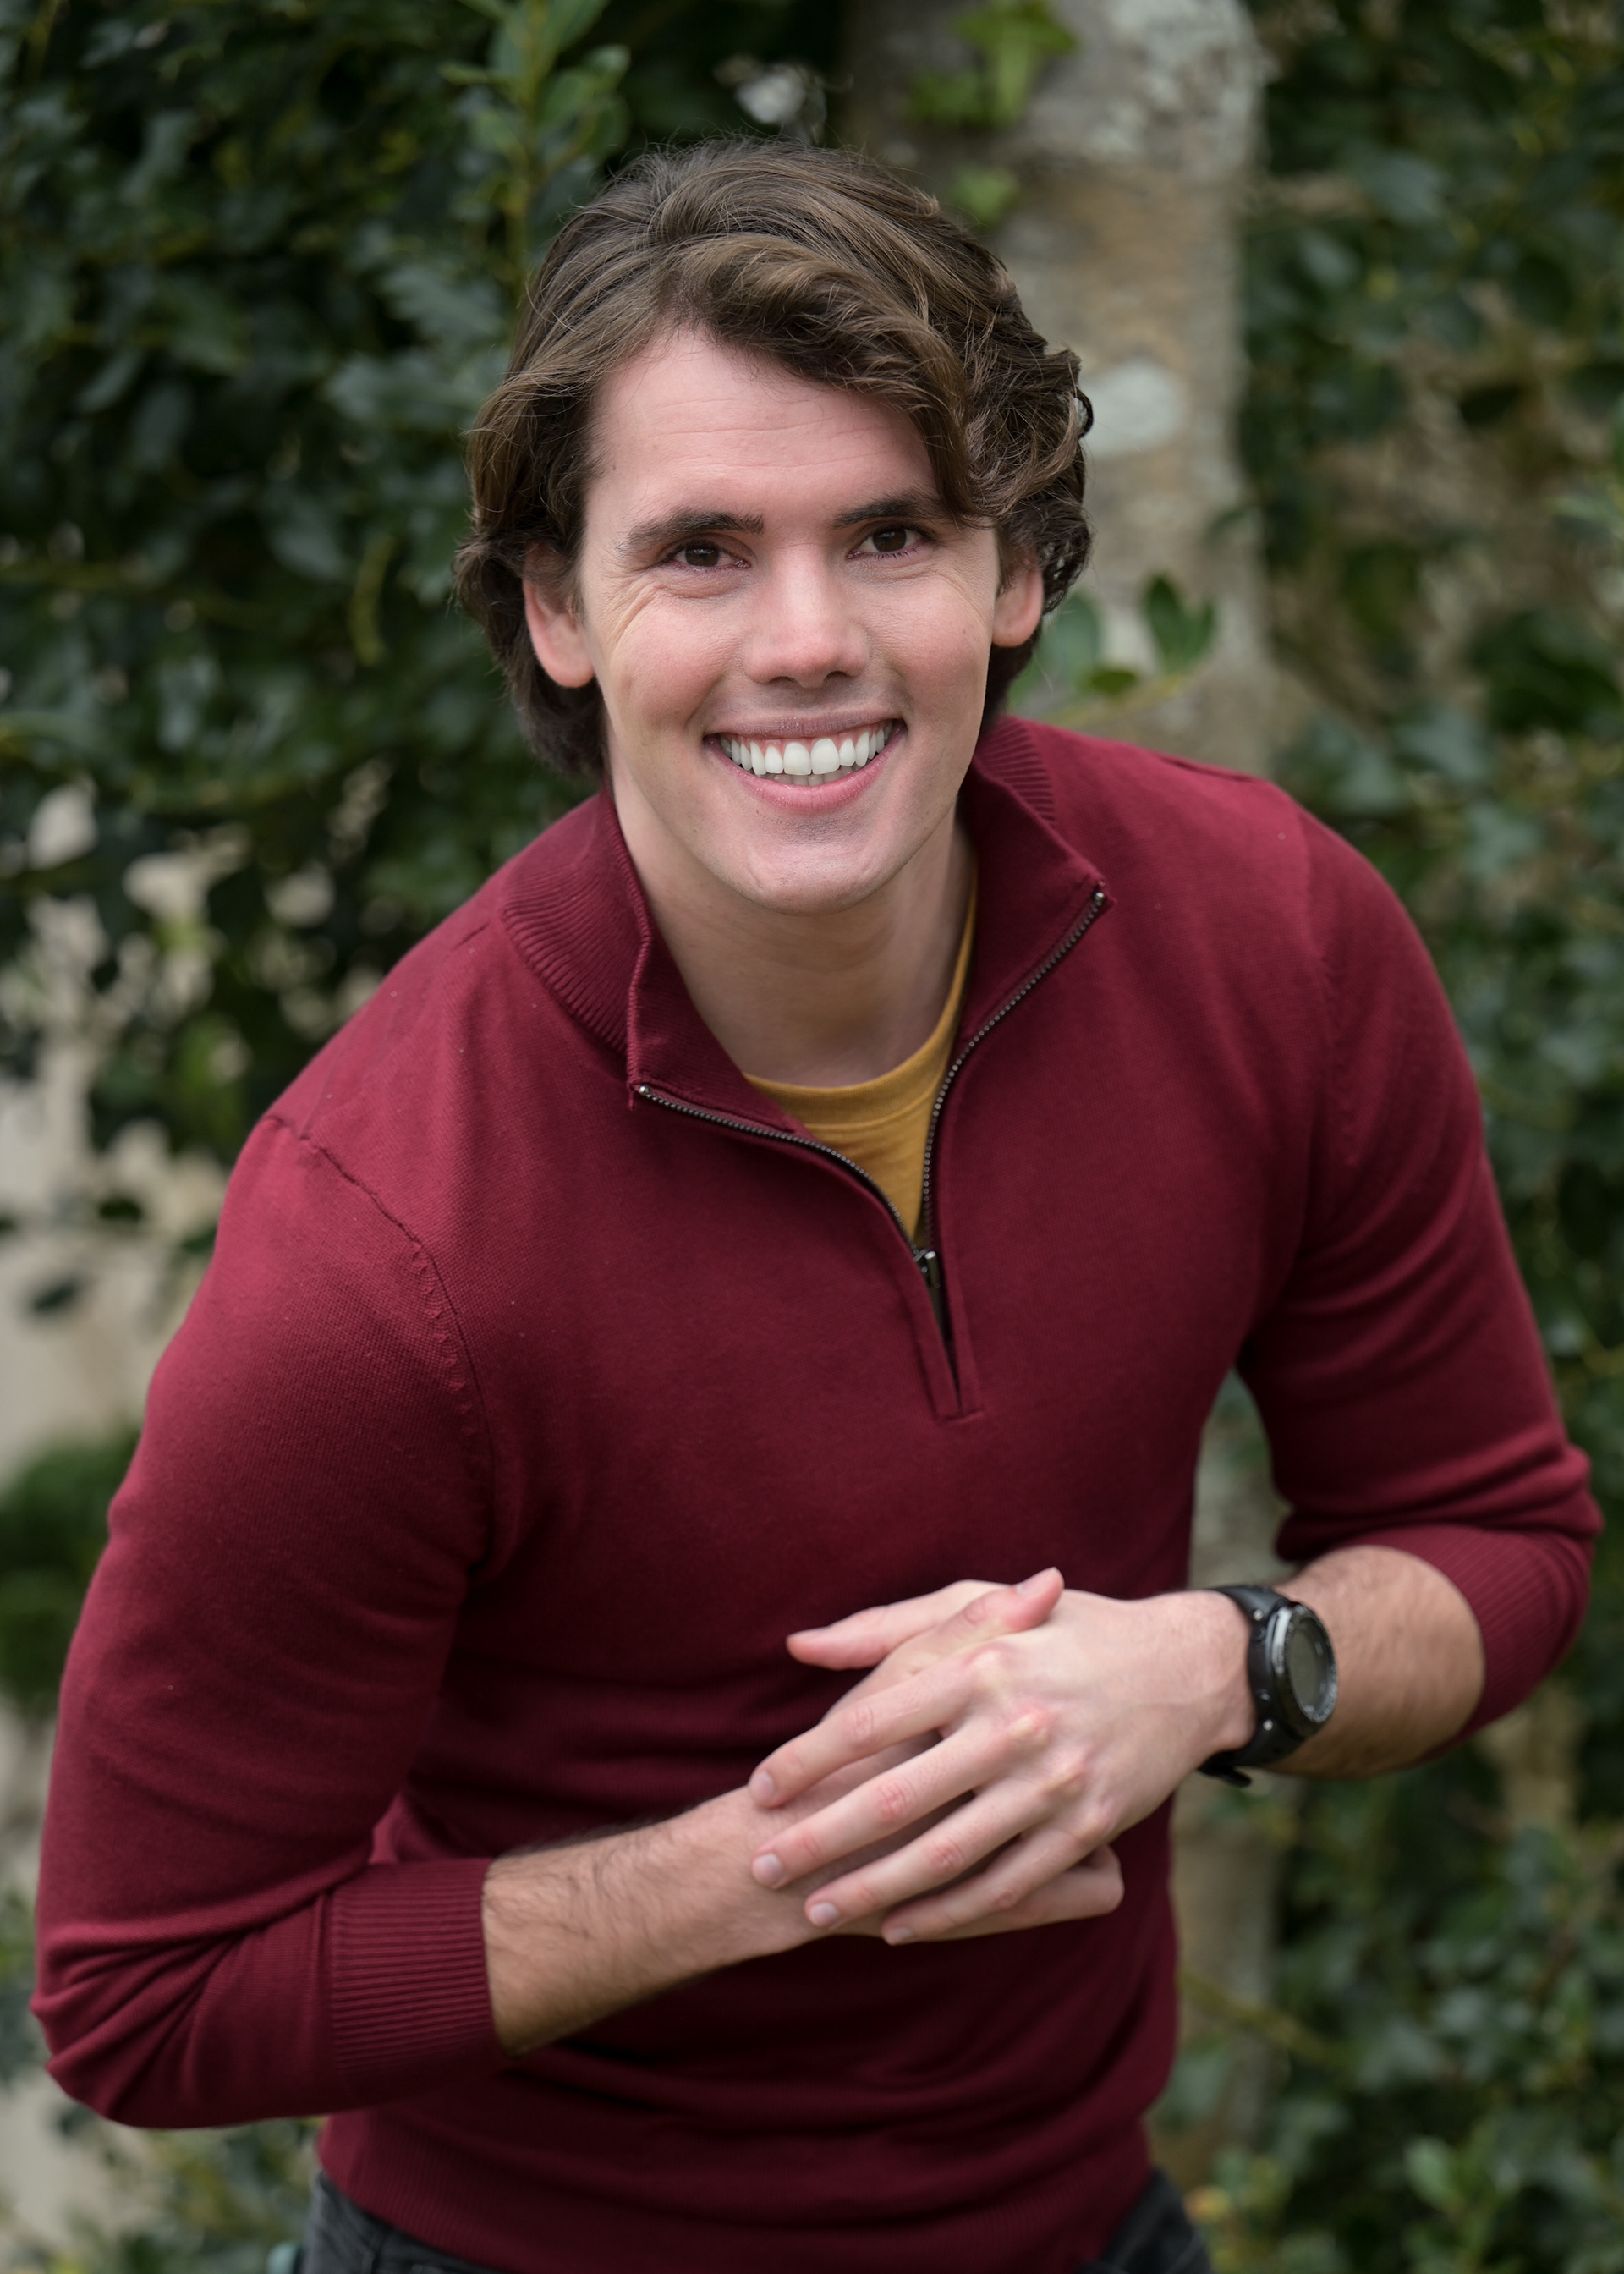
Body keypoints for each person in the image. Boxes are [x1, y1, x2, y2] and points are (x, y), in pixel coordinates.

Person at [35, 140, 1597, 2274]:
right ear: (556, 612)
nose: (809, 641)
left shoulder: (1274, 941)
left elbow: (1500, 1541)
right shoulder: (385, 1240)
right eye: (700, 550)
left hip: (1088, 2230)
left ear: (1016, 571)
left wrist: (1218, 1671)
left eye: (891, 534)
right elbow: (150, 1991)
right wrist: (795, 1859)